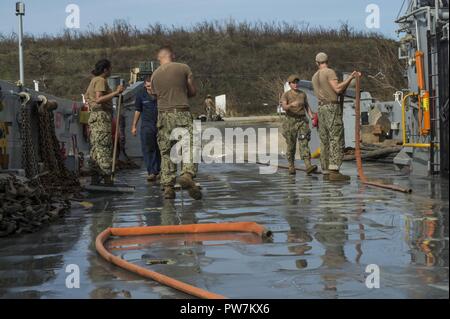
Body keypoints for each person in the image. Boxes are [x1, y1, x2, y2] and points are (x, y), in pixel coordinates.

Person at [151, 45, 202, 200]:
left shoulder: (154, 75)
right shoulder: (183, 68)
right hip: (181, 112)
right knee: (190, 146)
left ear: (159, 58)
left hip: (163, 116)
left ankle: (168, 187)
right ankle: (187, 175)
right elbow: (192, 91)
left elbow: (154, 96)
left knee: (166, 152)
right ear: (171, 55)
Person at [311, 52, 361, 181]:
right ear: (327, 61)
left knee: (324, 139)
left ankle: (326, 170)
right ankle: (334, 170)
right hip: (331, 107)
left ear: (316, 63)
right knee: (336, 137)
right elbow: (337, 89)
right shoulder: (329, 72)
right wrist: (350, 78)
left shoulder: (314, 76)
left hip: (321, 108)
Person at [84, 59, 124, 185]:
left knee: (96, 150)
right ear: (105, 69)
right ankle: (107, 180)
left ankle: (95, 179)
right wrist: (116, 93)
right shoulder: (101, 80)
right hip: (101, 117)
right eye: (110, 68)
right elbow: (99, 99)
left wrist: (114, 94)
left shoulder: (93, 80)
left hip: (95, 117)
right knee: (104, 147)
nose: (111, 71)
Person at [280, 74, 318, 176]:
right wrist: (290, 105)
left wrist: (311, 116)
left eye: (297, 82)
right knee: (291, 145)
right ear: (290, 84)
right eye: (293, 83)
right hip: (290, 121)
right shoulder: (286, 95)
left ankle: (308, 165)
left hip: (302, 121)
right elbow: (284, 107)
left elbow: (306, 106)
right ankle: (291, 165)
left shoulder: (303, 94)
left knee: (304, 142)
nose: (296, 84)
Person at [131, 74, 161, 182]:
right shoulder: (141, 95)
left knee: (160, 148)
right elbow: (138, 111)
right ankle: (151, 172)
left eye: (152, 86)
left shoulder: (160, 94)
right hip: (147, 125)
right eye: (148, 86)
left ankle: (159, 170)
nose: (150, 88)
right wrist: (134, 126)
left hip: (160, 124)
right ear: (145, 86)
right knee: (148, 148)